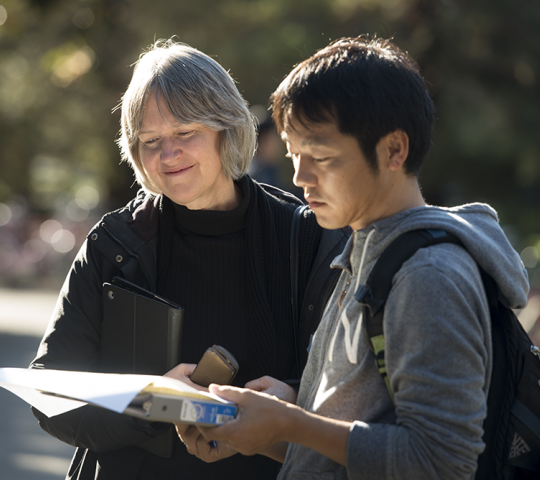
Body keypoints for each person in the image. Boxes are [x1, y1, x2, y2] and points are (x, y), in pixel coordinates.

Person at [184, 36, 530, 479]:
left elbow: (439, 462)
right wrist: (271, 426)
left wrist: (293, 422)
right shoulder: (365, 252)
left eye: (321, 157)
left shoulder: (428, 276)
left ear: (393, 150)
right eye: (294, 155)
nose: (300, 178)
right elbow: (351, 447)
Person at [29, 40, 349, 480]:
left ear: (227, 129)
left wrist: (294, 401)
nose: (167, 154)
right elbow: (49, 392)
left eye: (184, 133)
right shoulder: (114, 243)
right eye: (150, 141)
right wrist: (149, 401)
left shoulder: (309, 238)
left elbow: (358, 399)